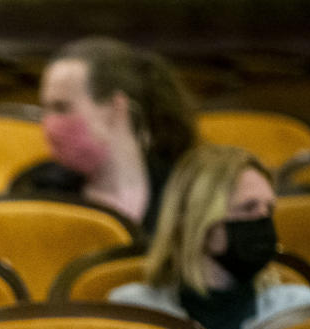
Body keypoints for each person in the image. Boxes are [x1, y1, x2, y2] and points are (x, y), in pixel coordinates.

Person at [109, 144, 310, 329]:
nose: (263, 221)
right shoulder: (134, 313)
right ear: (196, 219)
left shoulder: (296, 311)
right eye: (248, 208)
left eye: (269, 209)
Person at [17, 37, 196, 233]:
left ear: (115, 107)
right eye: (45, 109)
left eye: (62, 108)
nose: (48, 124)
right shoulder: (37, 191)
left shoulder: (186, 195)